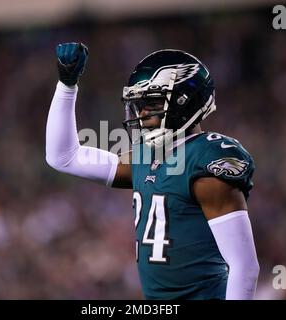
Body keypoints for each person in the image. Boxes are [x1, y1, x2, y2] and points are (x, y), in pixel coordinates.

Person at [46, 42, 260, 299]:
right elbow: (64, 157)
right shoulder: (146, 155)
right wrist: (67, 85)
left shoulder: (206, 162)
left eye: (153, 102)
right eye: (140, 103)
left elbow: (244, 267)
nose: (143, 111)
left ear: (185, 101)